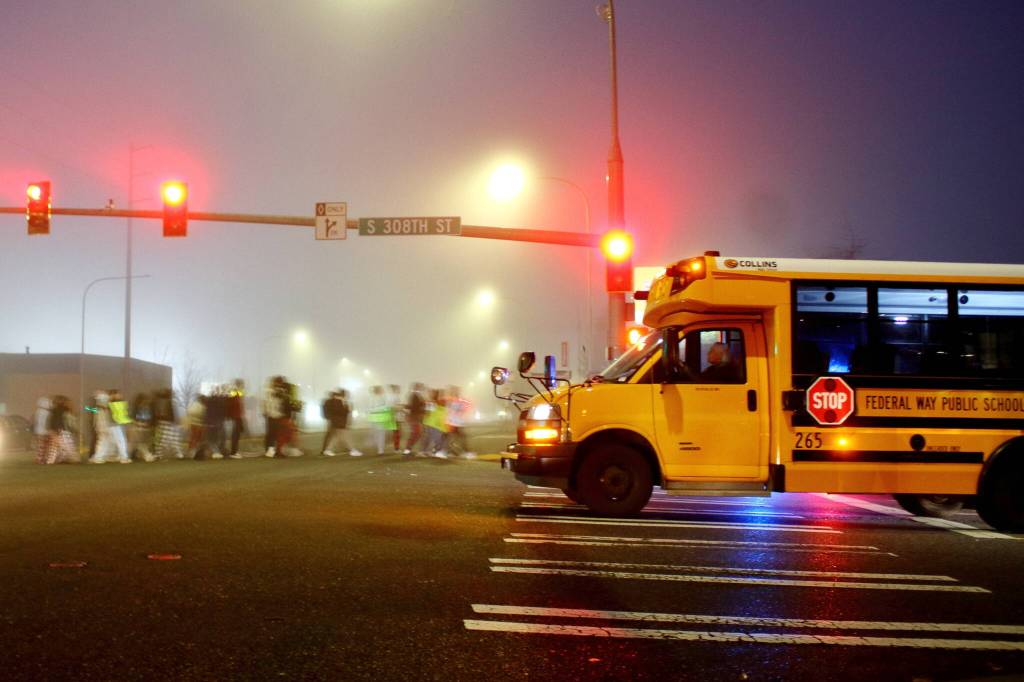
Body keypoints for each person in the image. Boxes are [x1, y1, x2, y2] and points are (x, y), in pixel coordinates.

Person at [91, 391, 131, 464]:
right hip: (111, 425)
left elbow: (89, 408)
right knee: (120, 440)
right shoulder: (109, 403)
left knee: (103, 442)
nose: (119, 396)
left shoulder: (98, 408)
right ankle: (124, 457)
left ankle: (98, 457)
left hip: (103, 426)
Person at [322, 389, 358, 456]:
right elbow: (340, 412)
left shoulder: (338, 401)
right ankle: (353, 450)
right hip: (339, 422)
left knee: (336, 437)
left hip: (337, 422)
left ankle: (328, 450)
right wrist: (348, 409)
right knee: (345, 437)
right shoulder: (337, 401)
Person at [43, 395, 77, 464]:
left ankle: (51, 461)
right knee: (65, 446)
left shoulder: (56, 410)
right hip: (59, 430)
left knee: (55, 446)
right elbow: (58, 421)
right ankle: (73, 458)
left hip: (57, 430)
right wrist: (56, 430)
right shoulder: (60, 410)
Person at [152, 388, 183, 459]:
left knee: (164, 439)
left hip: (166, 422)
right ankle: (177, 454)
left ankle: (160, 454)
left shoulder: (165, 401)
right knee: (167, 439)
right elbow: (171, 413)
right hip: (168, 423)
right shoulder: (168, 401)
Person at [445, 386, 474, 458]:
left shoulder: (458, 401)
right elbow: (450, 410)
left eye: (457, 392)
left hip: (457, 423)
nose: (457, 393)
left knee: (457, 438)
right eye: (455, 392)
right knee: (457, 438)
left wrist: (463, 409)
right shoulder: (451, 401)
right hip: (452, 423)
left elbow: (464, 408)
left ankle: (452, 451)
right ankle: (463, 452)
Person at [402, 383, 426, 456]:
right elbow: (414, 407)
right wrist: (423, 408)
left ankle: (408, 450)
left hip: (416, 417)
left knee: (417, 434)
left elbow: (412, 406)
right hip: (414, 417)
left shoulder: (418, 395)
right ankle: (407, 450)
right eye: (419, 387)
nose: (420, 389)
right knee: (416, 433)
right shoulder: (414, 396)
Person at [226, 379, 246, 459]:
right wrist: (230, 415)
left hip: (237, 416)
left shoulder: (238, 392)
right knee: (235, 435)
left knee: (236, 434)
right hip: (235, 416)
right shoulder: (234, 392)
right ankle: (233, 452)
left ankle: (234, 451)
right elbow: (230, 403)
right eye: (242, 384)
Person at [33, 396, 51, 464]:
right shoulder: (46, 413)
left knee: (40, 446)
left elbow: (36, 422)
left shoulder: (38, 412)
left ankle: (39, 458)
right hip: (44, 432)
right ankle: (41, 459)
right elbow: (45, 423)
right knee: (43, 446)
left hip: (38, 431)